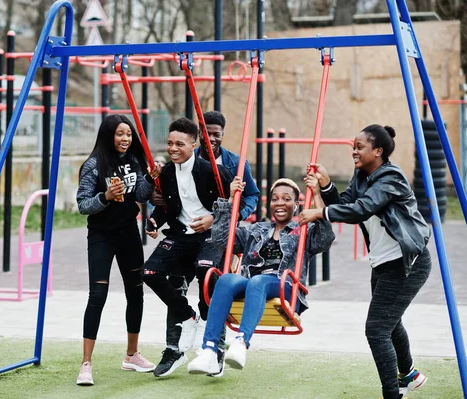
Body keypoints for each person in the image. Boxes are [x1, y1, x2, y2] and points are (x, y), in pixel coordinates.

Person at [297, 124, 431, 399]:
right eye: (353, 147)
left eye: (360, 147)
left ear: (378, 151)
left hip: (408, 262)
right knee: (389, 322)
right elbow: (347, 203)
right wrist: (326, 185)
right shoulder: (361, 175)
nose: (354, 152)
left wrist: (321, 212)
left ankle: (393, 393)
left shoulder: (391, 177)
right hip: (383, 261)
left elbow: (363, 208)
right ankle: (409, 374)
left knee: (377, 329)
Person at [187, 176, 335, 375]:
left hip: (285, 287)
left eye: (286, 198)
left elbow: (325, 239)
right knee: (225, 279)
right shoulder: (257, 229)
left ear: (296, 205)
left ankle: (241, 342)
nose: (280, 203)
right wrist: (231, 200)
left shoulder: (302, 230)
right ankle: (210, 351)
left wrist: (316, 194)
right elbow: (222, 238)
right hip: (253, 284)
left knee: (259, 281)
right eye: (275, 199)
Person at [157, 110, 261, 377]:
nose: (211, 138)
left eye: (217, 134)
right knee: (175, 286)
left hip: (216, 237)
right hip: (184, 235)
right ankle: (174, 349)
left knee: (212, 288)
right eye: (207, 133)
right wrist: (157, 206)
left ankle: (214, 351)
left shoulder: (236, 164)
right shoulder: (185, 159)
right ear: (198, 136)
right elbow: (168, 194)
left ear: (223, 134)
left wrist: (230, 215)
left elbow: (250, 196)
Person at [142, 117, 235, 377]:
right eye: (170, 143)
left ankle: (212, 345)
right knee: (149, 273)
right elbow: (165, 208)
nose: (173, 148)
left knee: (206, 272)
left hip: (209, 236)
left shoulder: (211, 172)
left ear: (194, 145)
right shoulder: (167, 173)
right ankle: (187, 318)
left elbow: (233, 207)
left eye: (180, 144)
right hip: (180, 236)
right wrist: (153, 221)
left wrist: (212, 218)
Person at [75, 114, 160, 386]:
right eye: (120, 134)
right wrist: (106, 197)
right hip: (101, 235)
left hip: (128, 234)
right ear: (108, 135)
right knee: (97, 295)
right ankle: (86, 364)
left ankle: (132, 354)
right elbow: (83, 205)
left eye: (129, 135)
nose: (125, 139)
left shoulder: (133, 161)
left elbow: (141, 196)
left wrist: (150, 178)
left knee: (135, 293)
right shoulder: (93, 165)